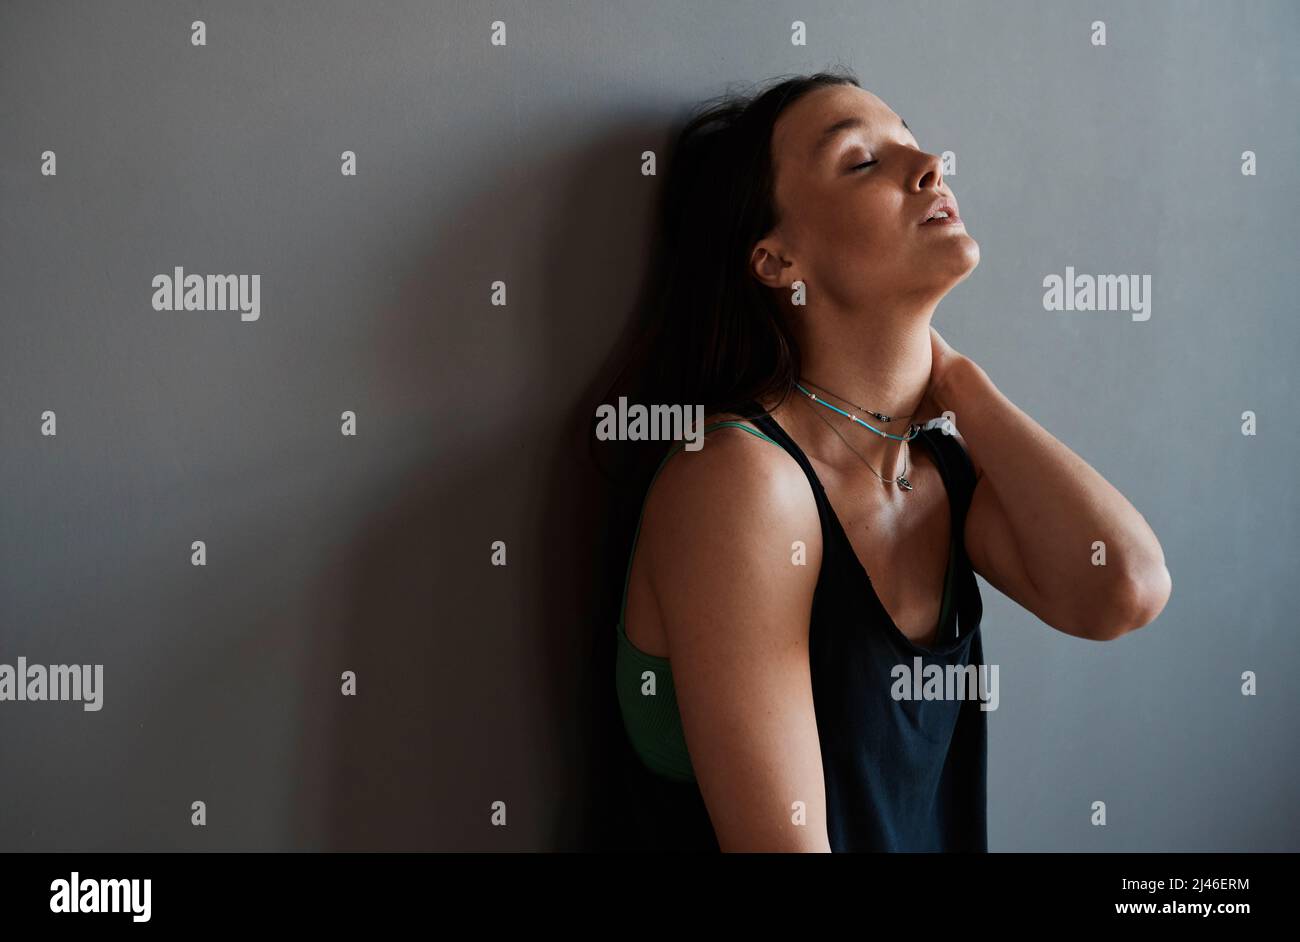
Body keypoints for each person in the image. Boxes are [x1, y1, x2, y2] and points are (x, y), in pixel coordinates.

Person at [595, 68, 1171, 852]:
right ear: (777, 263)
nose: (929, 162)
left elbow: (1125, 589)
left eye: (911, 139)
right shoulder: (741, 481)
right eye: (863, 160)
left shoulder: (935, 474)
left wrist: (966, 387)